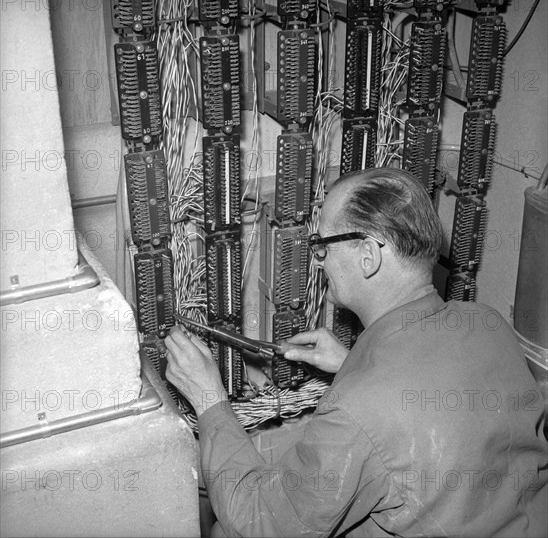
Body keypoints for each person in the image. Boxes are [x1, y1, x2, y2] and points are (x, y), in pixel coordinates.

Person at [165, 167, 548, 537]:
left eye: (322, 246)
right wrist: (353, 363)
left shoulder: (361, 408)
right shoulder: (486, 322)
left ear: (368, 255)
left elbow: (257, 522)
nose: (318, 262)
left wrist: (209, 399)